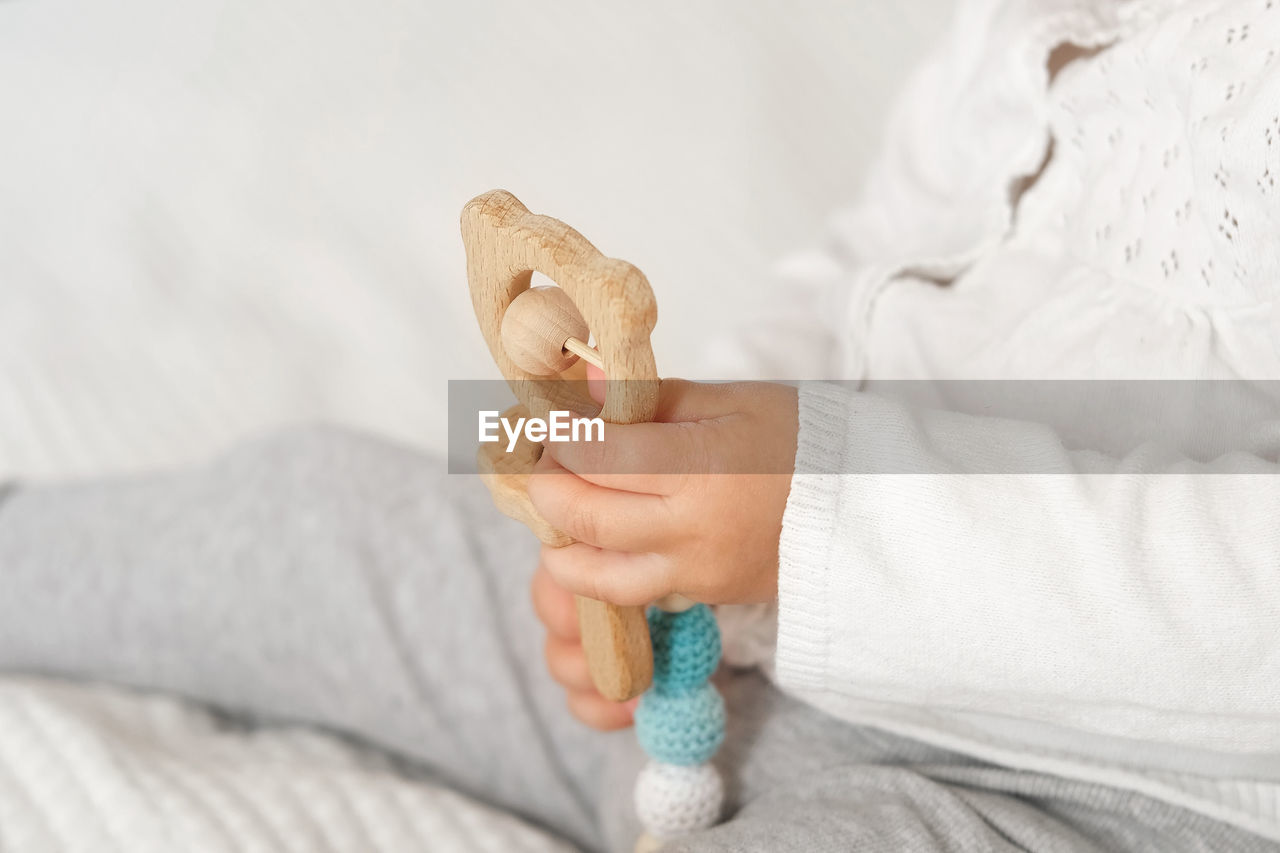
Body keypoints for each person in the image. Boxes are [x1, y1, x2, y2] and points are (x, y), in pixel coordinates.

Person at [2, 0, 1278, 849]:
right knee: (311, 504)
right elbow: (872, 257)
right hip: (730, 647)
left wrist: (816, 529)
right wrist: (663, 487)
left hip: (1090, 792)